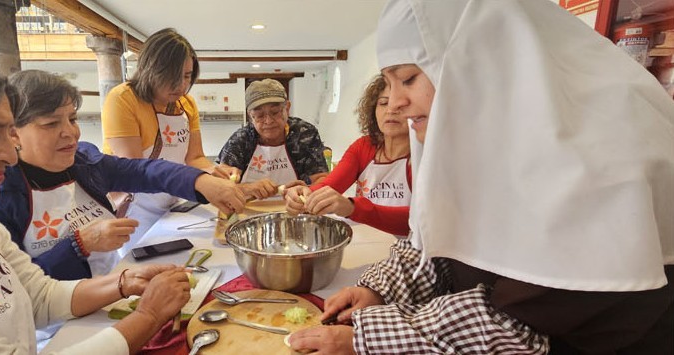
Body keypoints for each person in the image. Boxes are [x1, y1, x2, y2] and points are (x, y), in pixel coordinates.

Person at [287, 1, 674, 354]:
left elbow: (517, 324)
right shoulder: (476, 139)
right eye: (388, 85)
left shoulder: (592, 163)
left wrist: (367, 339)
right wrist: (378, 287)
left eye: (407, 78)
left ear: (481, 64)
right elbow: (434, 240)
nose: (398, 104)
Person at [0, 46, 192, 354]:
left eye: (8, 134)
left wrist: (124, 282)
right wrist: (148, 316)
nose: (8, 155)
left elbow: (40, 296)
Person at [0, 70, 245, 281]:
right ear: (14, 133)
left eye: (72, 120)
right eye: (51, 124)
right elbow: (13, 285)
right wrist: (80, 245)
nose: (70, 133)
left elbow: (145, 172)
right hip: (55, 331)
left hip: (112, 288)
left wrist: (201, 181)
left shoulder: (84, 164)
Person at [101, 28, 219, 244]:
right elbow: (134, 172)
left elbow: (194, 158)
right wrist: (198, 183)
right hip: (136, 209)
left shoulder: (187, 104)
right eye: (172, 77)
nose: (181, 85)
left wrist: (216, 173)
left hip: (172, 202)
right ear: (151, 69)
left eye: (186, 76)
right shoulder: (123, 99)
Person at [285, 75, 411, 237]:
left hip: (409, 248)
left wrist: (352, 207)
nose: (391, 110)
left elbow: (420, 221)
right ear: (373, 110)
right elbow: (329, 186)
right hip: (367, 241)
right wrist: (304, 195)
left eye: (401, 105)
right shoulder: (364, 147)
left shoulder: (423, 155)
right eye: (384, 103)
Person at [216, 78, 329, 200]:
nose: (268, 121)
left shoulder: (305, 134)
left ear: (287, 108)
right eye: (259, 116)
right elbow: (220, 185)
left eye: (275, 112)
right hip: (250, 209)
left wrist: (308, 190)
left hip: (297, 208)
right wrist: (247, 188)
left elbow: (321, 178)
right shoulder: (240, 140)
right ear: (250, 115)